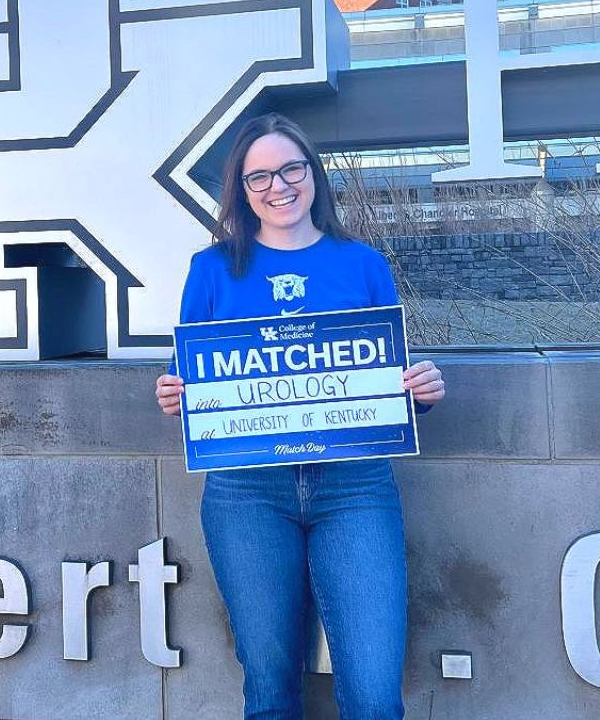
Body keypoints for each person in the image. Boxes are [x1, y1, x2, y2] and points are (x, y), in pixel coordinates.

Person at [154, 112, 445, 719]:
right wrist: (178, 395)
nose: (277, 186)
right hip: (247, 493)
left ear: (313, 174)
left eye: (290, 168)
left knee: (373, 693)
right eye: (258, 176)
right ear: (241, 188)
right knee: (269, 689)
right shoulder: (211, 269)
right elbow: (198, 382)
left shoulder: (363, 264)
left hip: (355, 488)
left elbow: (381, 371)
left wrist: (415, 386)